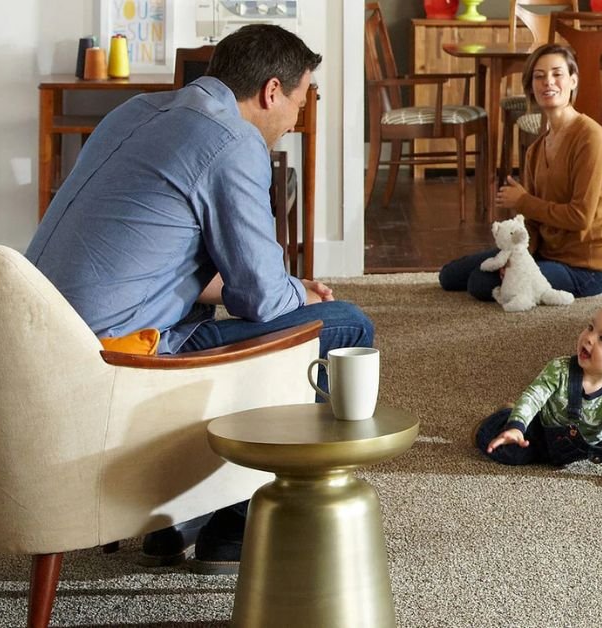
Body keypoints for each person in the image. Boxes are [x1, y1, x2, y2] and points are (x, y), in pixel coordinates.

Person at [25, 25, 373, 574]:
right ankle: (232, 529)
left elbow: (159, 267)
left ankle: (174, 518)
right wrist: (295, 294)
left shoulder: (136, 111)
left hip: (44, 350)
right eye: (302, 101)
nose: (297, 119)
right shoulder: (232, 142)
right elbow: (263, 301)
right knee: (347, 327)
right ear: (272, 90)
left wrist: (290, 290)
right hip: (114, 363)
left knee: (232, 308)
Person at [439, 43, 602, 301]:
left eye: (557, 74)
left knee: (479, 283)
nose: (548, 82)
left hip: (585, 269)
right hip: (545, 254)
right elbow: (531, 222)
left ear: (573, 81)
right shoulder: (536, 149)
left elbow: (580, 218)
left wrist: (522, 201)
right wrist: (518, 258)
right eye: (539, 76)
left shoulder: (591, 139)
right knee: (450, 276)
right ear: (531, 87)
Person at [475, 304, 602, 488]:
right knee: (505, 451)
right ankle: (506, 416)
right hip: (541, 430)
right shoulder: (559, 369)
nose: (589, 338)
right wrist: (516, 427)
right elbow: (533, 396)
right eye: (590, 328)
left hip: (580, 448)